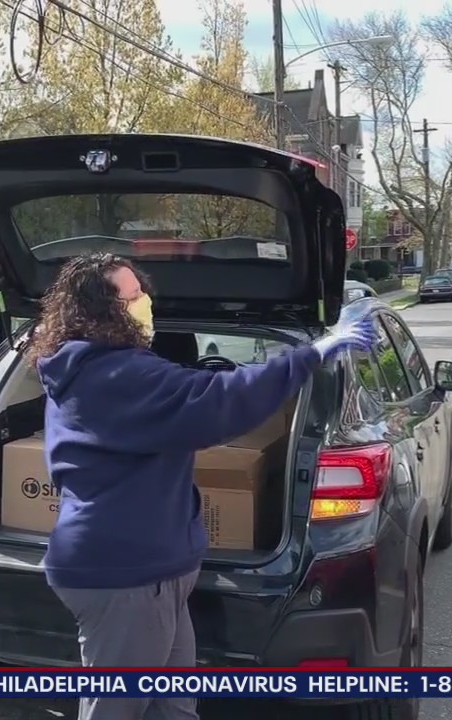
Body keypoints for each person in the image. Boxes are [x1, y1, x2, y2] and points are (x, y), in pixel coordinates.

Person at [26, 252, 375, 720]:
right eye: (132, 297)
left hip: (147, 568)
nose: (144, 303)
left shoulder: (95, 370)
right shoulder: (116, 376)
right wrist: (312, 353)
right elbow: (217, 401)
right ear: (101, 312)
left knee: (173, 706)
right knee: (117, 709)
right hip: (124, 573)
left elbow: (194, 390)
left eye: (141, 292)